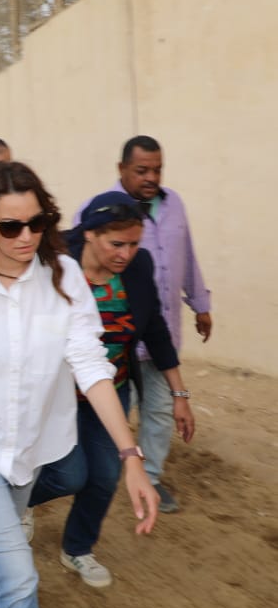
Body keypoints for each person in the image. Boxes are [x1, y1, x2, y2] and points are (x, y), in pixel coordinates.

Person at [0, 162, 159, 608]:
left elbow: (90, 364)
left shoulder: (64, 276)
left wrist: (130, 455)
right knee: (19, 574)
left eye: (37, 223)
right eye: (11, 226)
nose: (26, 236)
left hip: (30, 443)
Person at [28, 192, 196, 589]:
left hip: (110, 390)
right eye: (116, 244)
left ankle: (77, 548)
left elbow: (154, 329)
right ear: (89, 234)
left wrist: (179, 395)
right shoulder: (52, 266)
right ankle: (16, 504)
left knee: (104, 476)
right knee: (69, 475)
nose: (126, 254)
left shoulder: (138, 268)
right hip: (57, 395)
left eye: (134, 244)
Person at [75, 135, 212, 512]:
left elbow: (187, 255)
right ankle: (99, 469)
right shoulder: (96, 212)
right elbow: (74, 264)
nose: (151, 177)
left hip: (158, 331)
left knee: (160, 409)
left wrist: (199, 303)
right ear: (121, 169)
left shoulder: (174, 204)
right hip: (111, 347)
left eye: (157, 169)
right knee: (109, 414)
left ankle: (148, 476)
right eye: (142, 170)